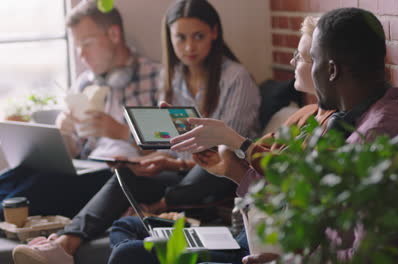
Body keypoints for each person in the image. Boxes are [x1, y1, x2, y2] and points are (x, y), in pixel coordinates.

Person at [170, 7, 398, 262]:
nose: (296, 64)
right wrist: (233, 170)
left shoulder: (374, 136)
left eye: (311, 58)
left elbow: (367, 253)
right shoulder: (354, 120)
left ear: (331, 70)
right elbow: (302, 205)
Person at [12, 0, 260, 263]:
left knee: (200, 175)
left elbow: (226, 152)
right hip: (184, 172)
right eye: (181, 38)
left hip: (221, 174)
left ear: (214, 32)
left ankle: (156, 207)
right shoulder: (174, 79)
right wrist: (165, 162)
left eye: (198, 36)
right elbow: (175, 145)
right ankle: (65, 244)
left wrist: (172, 163)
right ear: (170, 38)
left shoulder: (236, 78)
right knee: (126, 174)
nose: (189, 47)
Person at [105, 16, 336, 264]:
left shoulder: (333, 130)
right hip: (243, 236)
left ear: (325, 67)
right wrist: (228, 167)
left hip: (256, 250)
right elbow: (261, 177)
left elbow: (283, 189)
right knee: (125, 226)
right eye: (180, 38)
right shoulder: (303, 115)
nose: (292, 62)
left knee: (127, 253)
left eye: (299, 56)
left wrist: (234, 141)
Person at [0, 1, 161, 219]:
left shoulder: (155, 78)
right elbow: (74, 151)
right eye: (77, 46)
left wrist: (121, 132)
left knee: (33, 190)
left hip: (123, 175)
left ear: (114, 35)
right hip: (87, 167)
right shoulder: (84, 84)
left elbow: (172, 149)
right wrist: (63, 134)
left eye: (87, 43)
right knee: (13, 177)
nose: (81, 55)